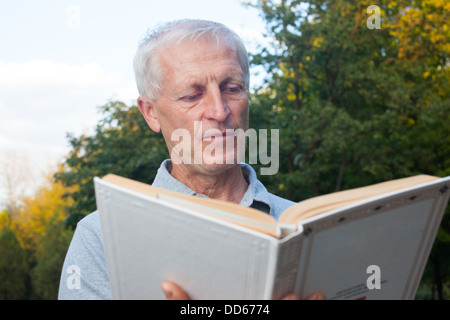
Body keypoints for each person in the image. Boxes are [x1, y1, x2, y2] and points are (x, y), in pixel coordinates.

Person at [58, 19, 324, 300]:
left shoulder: (309, 230)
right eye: (192, 95)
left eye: (232, 88)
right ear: (150, 112)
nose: (219, 111)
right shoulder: (99, 239)